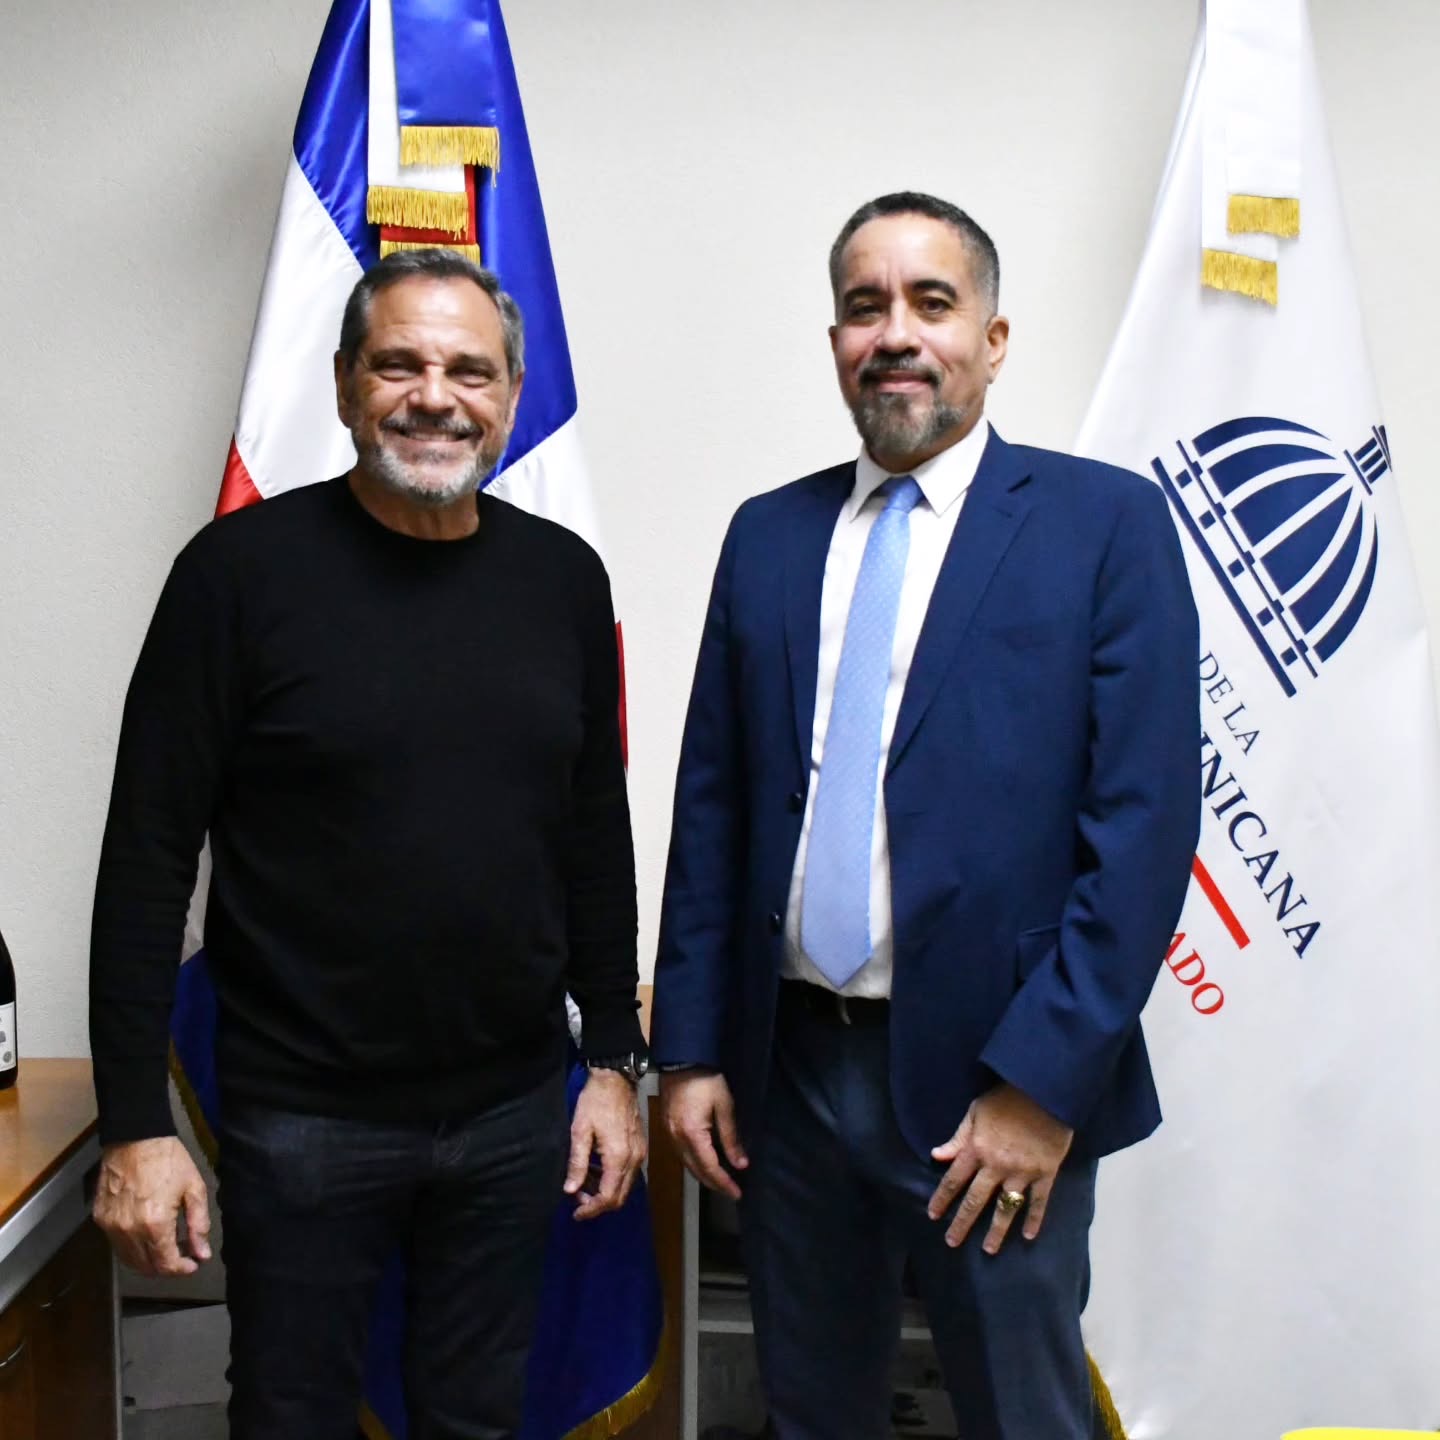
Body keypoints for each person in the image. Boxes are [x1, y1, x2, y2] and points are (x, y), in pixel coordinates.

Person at [652, 192, 1199, 1439]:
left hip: (993, 1084)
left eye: (931, 302)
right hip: (788, 1078)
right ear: (836, 342)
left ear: (992, 340)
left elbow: (1143, 832)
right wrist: (688, 1052)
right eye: (864, 307)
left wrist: (1041, 1088)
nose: (894, 332)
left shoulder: (1104, 526)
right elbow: (714, 807)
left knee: (1022, 1415)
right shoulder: (768, 536)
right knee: (810, 1412)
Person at [89, 248, 649, 1440]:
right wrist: (136, 1124)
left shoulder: (561, 579)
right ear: (346, 384)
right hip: (302, 1119)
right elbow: (145, 860)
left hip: (512, 1114)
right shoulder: (234, 578)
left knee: (477, 1418)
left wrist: (611, 1060)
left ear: (511, 397)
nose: (435, 397)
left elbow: (594, 839)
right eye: (399, 364)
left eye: (470, 371)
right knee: (289, 1416)